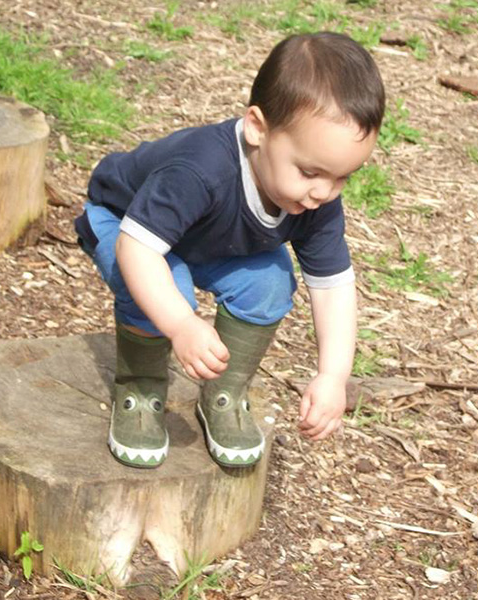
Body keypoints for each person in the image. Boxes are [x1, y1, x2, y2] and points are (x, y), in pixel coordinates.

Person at [74, 31, 385, 469]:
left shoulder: (314, 197)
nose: (324, 192)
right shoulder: (199, 171)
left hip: (205, 240)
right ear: (258, 128)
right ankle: (140, 387)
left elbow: (333, 287)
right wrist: (182, 324)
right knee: (169, 290)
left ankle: (224, 391)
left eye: (342, 178)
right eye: (311, 171)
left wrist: (333, 376)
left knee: (271, 281)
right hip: (125, 223)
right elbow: (137, 250)